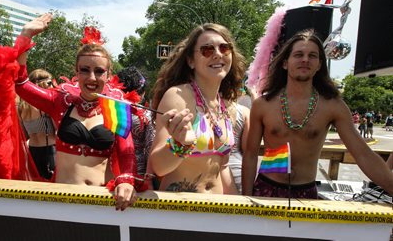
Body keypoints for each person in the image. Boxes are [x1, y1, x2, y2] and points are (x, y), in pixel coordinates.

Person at [0, 13, 140, 211]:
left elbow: (126, 152)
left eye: (99, 71)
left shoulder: (117, 107)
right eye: (85, 70)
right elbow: (21, 83)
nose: (92, 77)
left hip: (103, 204)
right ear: (76, 72)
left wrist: (126, 180)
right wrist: (26, 35)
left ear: (108, 75)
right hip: (63, 202)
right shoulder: (60, 101)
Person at [242, 29, 393, 199]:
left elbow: (363, 154)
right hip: (265, 190)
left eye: (312, 55)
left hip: (306, 193)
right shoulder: (263, 105)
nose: (305, 59)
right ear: (285, 63)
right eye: (299, 54)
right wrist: (246, 200)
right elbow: (250, 155)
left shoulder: (333, 106)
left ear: (320, 64)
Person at [149, 23, 247, 194]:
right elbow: (158, 168)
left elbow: (222, 168)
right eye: (207, 50)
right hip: (181, 210)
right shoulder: (178, 96)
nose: (217, 54)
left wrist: (239, 211)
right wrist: (178, 144)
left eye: (224, 48)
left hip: (217, 210)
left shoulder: (225, 105)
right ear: (191, 61)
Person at [18, 69, 56, 180]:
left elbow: (24, 135)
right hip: (50, 151)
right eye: (49, 83)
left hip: (32, 152)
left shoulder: (21, 107)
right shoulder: (46, 106)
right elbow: (58, 130)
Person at [116, 66, 154, 178]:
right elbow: (150, 146)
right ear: (142, 92)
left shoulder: (109, 108)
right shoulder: (146, 115)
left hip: (111, 167)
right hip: (138, 171)